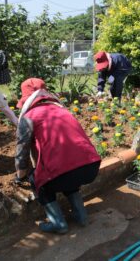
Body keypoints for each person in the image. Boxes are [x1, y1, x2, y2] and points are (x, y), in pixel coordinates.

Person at [15, 78, 101, 234]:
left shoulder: (30, 116)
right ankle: (81, 215)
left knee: (37, 179)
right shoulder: (62, 109)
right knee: (67, 171)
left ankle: (58, 223)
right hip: (91, 166)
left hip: (65, 173)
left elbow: (22, 151)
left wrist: (20, 176)